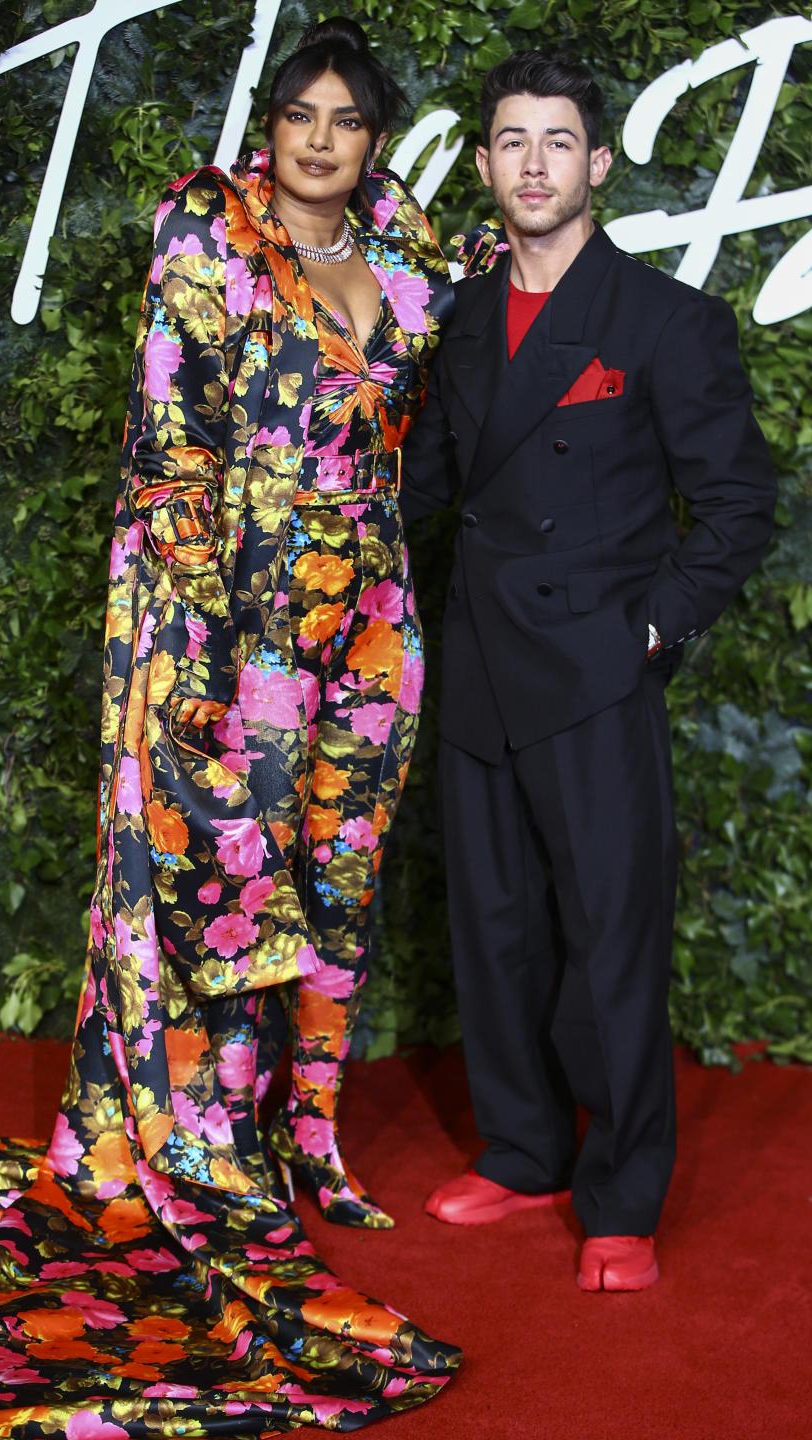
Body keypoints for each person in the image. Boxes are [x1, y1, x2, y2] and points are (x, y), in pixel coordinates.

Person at [0, 19, 461, 1434]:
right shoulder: (209, 223)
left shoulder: (407, 255)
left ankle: (293, 1132)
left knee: (334, 878)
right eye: (301, 113)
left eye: (348, 120)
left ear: (377, 139)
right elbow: (171, 435)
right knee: (210, 885)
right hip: (218, 625)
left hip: (366, 622)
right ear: (274, 125)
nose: (320, 139)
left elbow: (428, 393)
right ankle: (202, 1150)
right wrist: (199, 649)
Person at [400, 49, 777, 1291]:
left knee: (609, 940)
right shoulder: (453, 324)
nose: (534, 164)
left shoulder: (663, 320)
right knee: (495, 925)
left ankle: (621, 1199)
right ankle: (520, 1150)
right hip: (483, 663)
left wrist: (650, 632)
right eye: (511, 142)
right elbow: (428, 494)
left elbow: (736, 506)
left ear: (598, 165)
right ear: (484, 164)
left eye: (557, 142)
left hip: (599, 672)